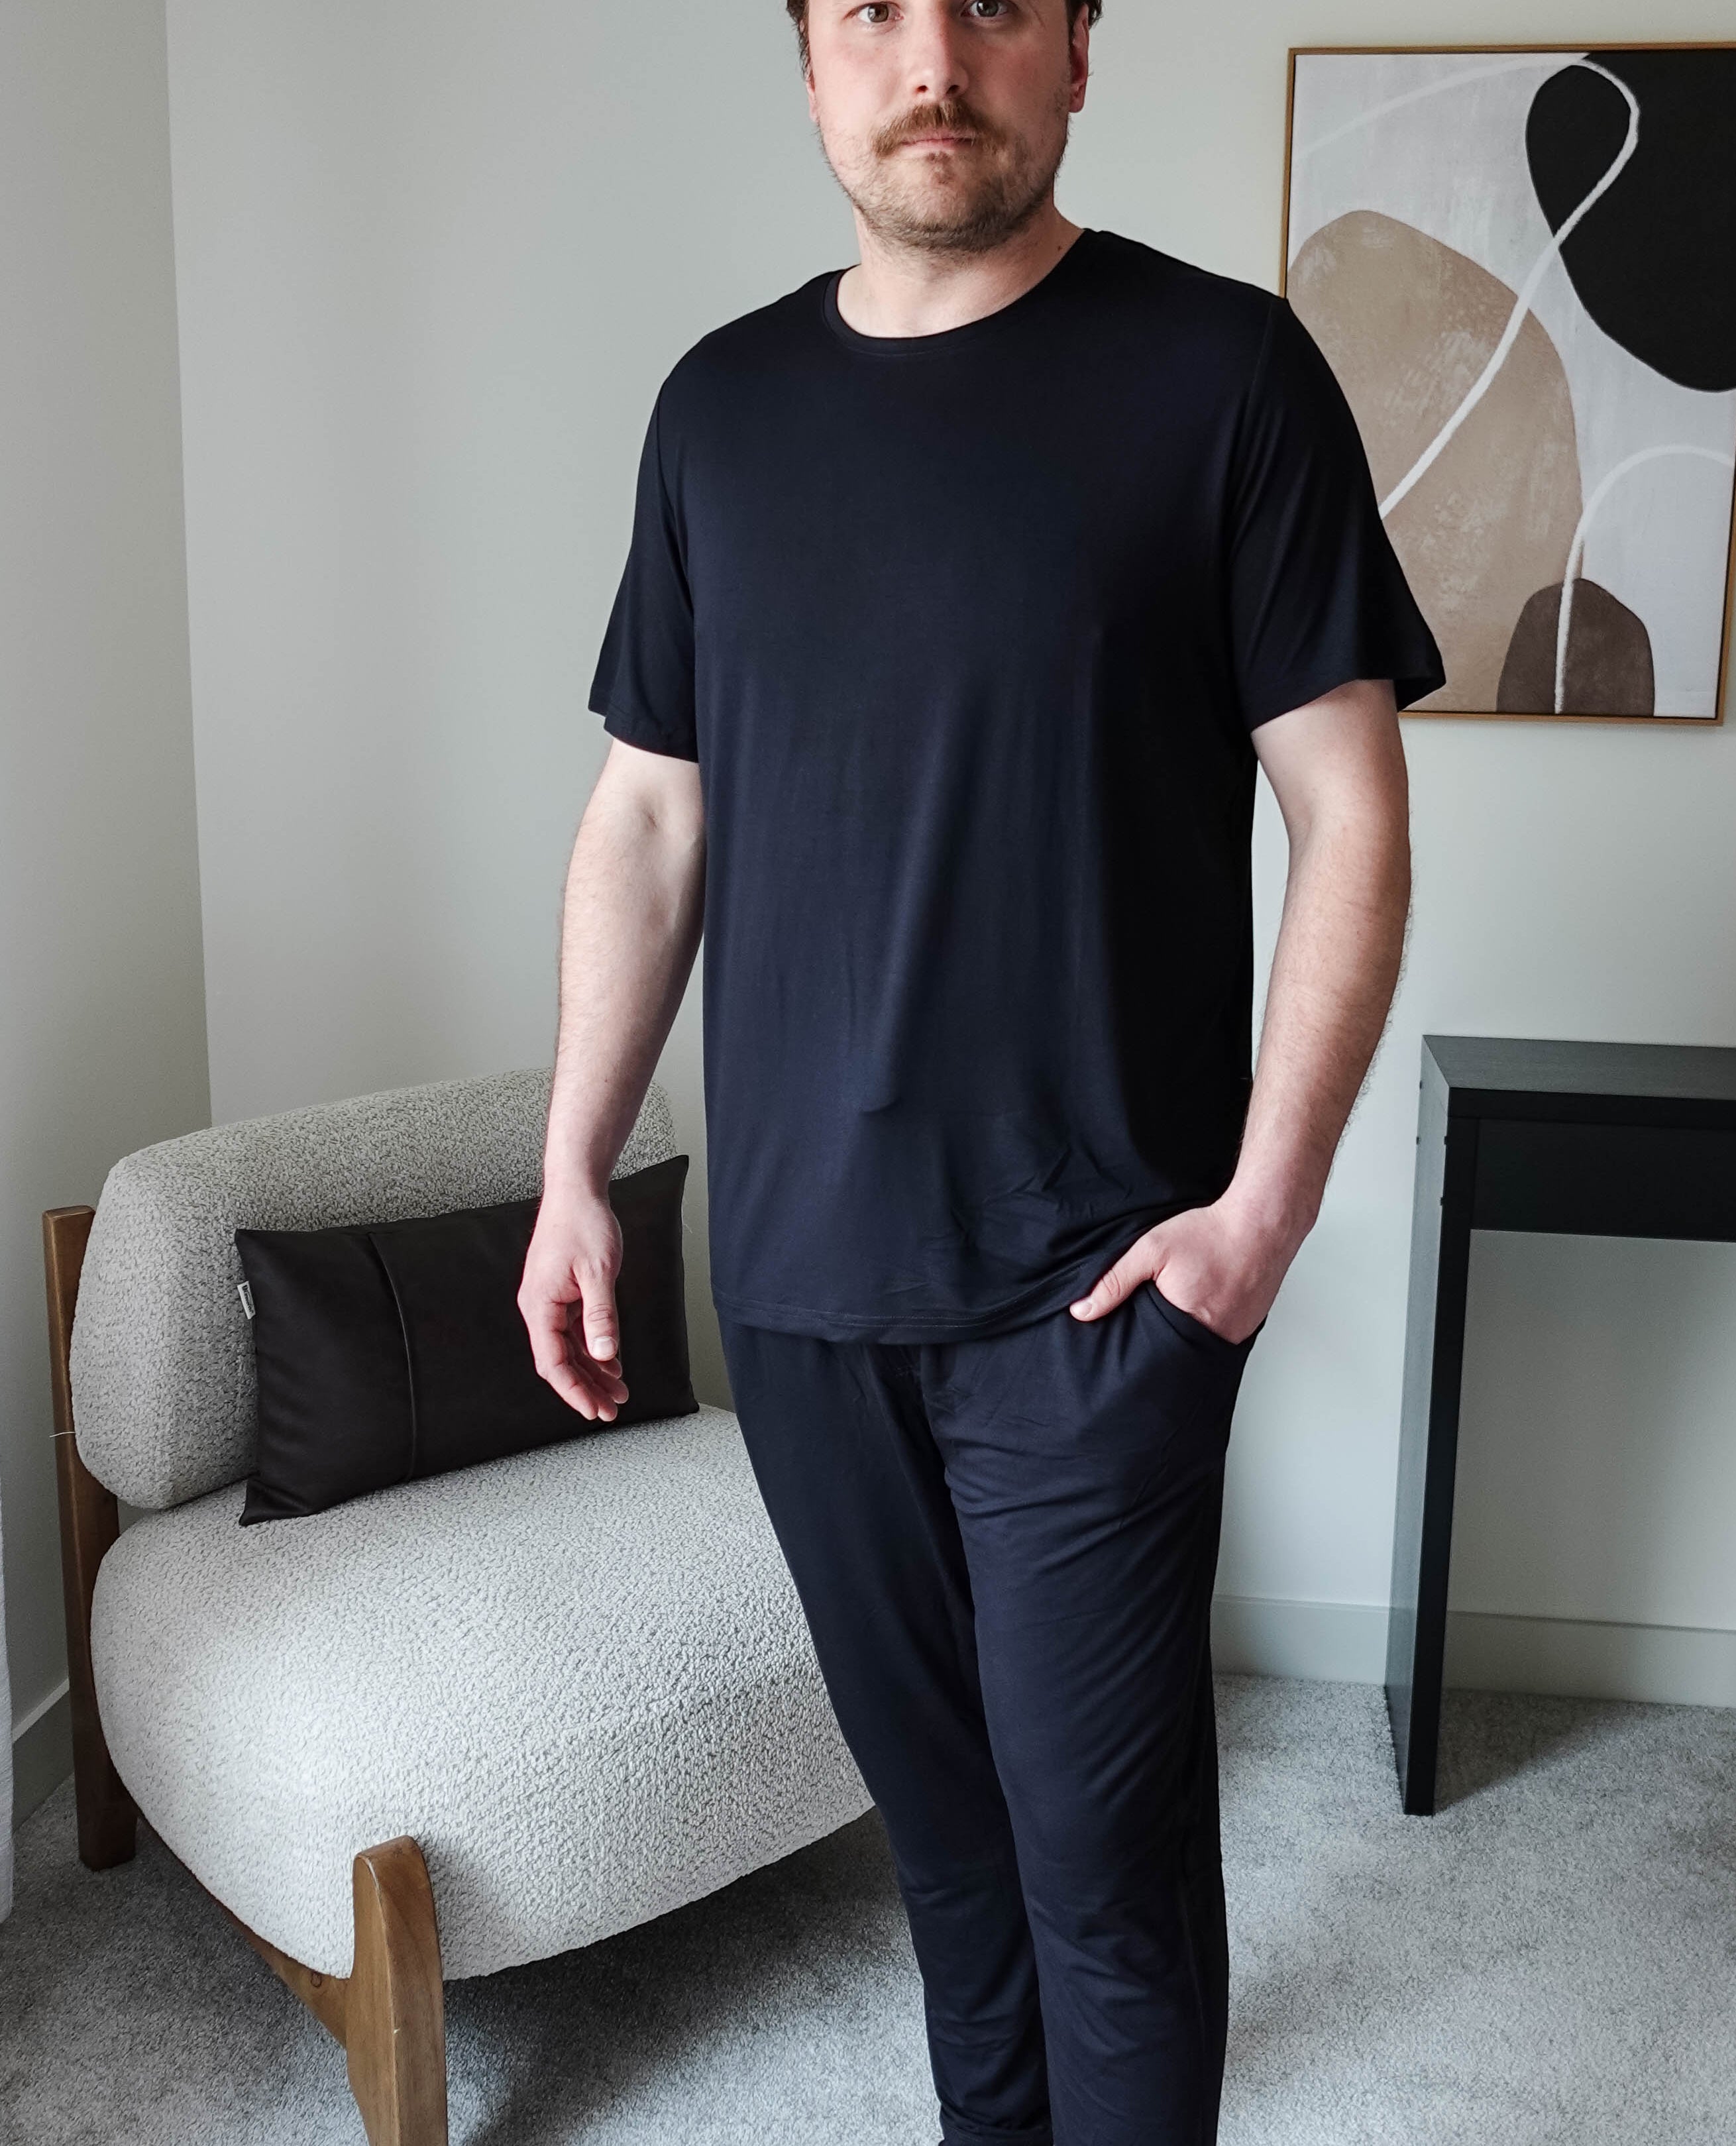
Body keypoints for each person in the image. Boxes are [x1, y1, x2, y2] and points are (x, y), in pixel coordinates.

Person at [519, 2, 1442, 2139]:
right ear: (812, 66)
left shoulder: (1223, 379)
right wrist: (572, 1167)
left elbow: (1356, 815)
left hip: (1097, 1295)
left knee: (1104, 1888)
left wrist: (1265, 1210)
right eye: (871, 11)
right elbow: (650, 819)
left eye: (996, 5)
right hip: (799, 1289)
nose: (935, 53)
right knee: (948, 1865)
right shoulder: (720, 414)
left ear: (1079, 54)